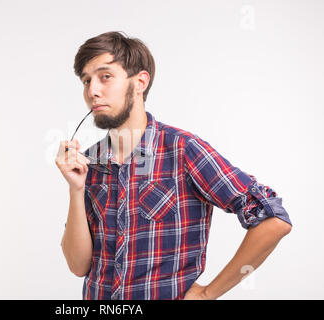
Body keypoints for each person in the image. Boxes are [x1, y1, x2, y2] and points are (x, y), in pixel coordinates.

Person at [55, 31, 292, 300]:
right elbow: (78, 266)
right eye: (86, 81)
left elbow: (273, 220)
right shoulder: (91, 162)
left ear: (140, 82)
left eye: (105, 76)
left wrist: (207, 294)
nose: (92, 91)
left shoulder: (182, 150)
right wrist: (76, 189)